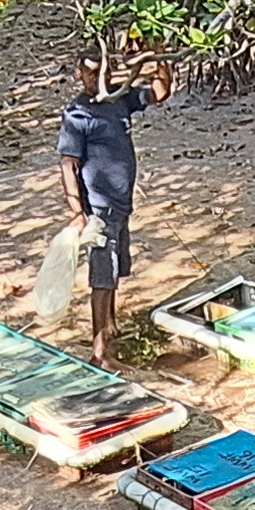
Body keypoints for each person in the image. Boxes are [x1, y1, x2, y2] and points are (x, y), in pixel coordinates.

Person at [52, 51, 174, 367]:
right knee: (102, 277)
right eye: (90, 73)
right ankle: (98, 353)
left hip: (121, 206)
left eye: (102, 72)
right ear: (80, 75)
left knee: (116, 268)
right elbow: (69, 166)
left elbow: (160, 93)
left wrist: (160, 55)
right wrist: (78, 211)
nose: (97, 79)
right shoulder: (78, 115)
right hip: (99, 208)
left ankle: (109, 324)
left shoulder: (120, 100)